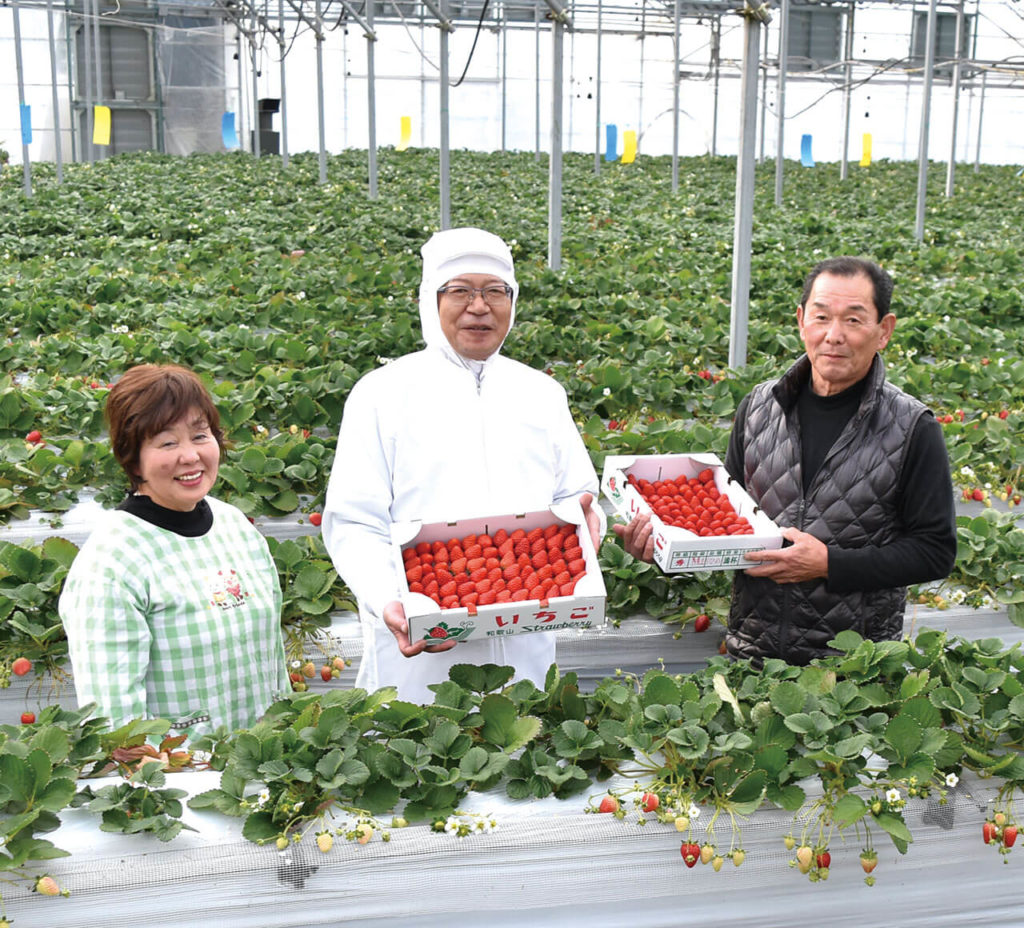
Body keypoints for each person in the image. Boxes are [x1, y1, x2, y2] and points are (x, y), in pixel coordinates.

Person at [615, 256, 957, 664]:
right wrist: (663, 546)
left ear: (884, 331)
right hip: (753, 655)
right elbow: (729, 525)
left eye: (853, 320)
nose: (833, 335)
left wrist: (830, 564)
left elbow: (934, 550)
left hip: (854, 667)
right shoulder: (759, 408)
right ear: (800, 321)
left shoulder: (913, 427)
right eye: (821, 317)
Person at [322, 227, 604, 703]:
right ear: (430, 302)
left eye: (496, 291)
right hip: (424, 643)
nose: (480, 306)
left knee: (520, 744)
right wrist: (390, 600)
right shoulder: (383, 394)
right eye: (460, 291)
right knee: (420, 756)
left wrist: (586, 522)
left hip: (525, 635)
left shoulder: (541, 394)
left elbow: (575, 494)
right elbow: (354, 519)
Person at [59, 364, 290, 735]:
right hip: (183, 777)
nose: (190, 456)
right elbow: (115, 722)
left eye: (200, 435)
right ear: (132, 458)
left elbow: (273, 666)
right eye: (167, 442)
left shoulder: (235, 527)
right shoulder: (112, 563)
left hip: (266, 763)